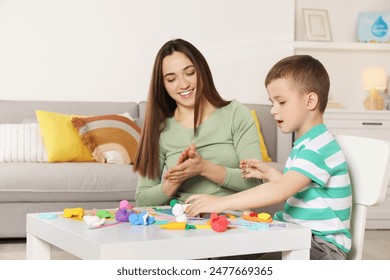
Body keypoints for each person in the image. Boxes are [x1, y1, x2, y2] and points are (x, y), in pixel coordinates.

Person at [186, 55, 352, 260]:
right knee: (228, 255)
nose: (273, 110)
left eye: (281, 102)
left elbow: (280, 191)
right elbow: (302, 190)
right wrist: (272, 173)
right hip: (299, 236)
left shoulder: (318, 147)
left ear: (310, 101)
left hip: (322, 247)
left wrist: (221, 202)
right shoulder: (308, 144)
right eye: (272, 102)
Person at [132, 38, 263, 207]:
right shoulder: (160, 129)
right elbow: (142, 200)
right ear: (163, 85)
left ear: (201, 71)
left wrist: (204, 168)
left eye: (190, 73)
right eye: (171, 79)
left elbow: (256, 181)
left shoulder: (235, 113)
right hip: (183, 223)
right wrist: (177, 178)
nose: (184, 84)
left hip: (233, 219)